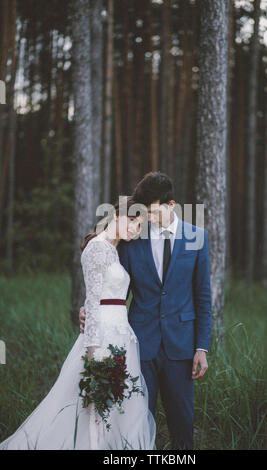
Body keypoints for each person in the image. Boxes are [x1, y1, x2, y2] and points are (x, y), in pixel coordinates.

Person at [0, 196, 156, 450]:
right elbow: (94, 301)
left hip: (121, 334)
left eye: (139, 226)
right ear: (116, 216)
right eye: (132, 221)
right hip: (103, 334)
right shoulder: (97, 247)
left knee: (119, 402)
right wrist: (93, 350)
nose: (135, 229)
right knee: (94, 403)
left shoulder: (114, 251)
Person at [79, 172, 213, 450]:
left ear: (171, 205)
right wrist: (90, 310)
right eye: (143, 212)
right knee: (138, 422)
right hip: (140, 344)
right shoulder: (133, 239)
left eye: (152, 212)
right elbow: (116, 287)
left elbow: (203, 296)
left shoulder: (196, 237)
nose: (147, 218)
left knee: (182, 423)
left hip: (182, 346)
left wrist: (202, 347)